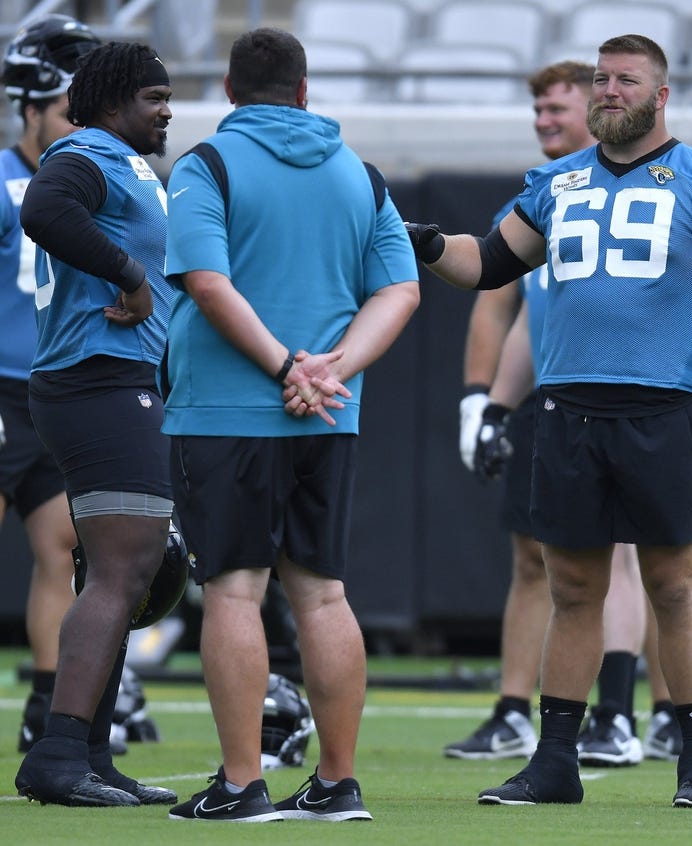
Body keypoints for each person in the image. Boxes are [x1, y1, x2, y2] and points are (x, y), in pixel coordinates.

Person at [407, 34, 692, 809]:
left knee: (676, 584)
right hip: (568, 409)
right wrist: (428, 244)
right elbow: (489, 265)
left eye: (625, 80)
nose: (608, 91)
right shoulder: (556, 182)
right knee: (572, 588)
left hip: (662, 407)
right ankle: (556, 760)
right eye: (600, 79)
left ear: (660, 94)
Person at [162, 28, 419, 822]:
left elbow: (207, 283)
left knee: (234, 594)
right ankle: (337, 784)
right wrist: (331, 371)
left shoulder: (207, 164)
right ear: (305, 92)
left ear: (230, 92)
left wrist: (285, 369)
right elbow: (401, 291)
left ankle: (242, 785)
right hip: (327, 418)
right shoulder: (360, 174)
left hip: (227, 412)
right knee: (324, 596)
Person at [445, 59, 682, 769]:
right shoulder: (548, 194)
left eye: (559, 108)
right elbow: (519, 315)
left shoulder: (659, 186)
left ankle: (635, 713)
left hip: (641, 401)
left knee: (643, 568)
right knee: (543, 562)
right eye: (538, 111)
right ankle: (525, 711)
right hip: (560, 403)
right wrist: (485, 403)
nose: (545, 121)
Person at [13, 41, 178, 807]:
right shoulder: (86, 150)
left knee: (117, 569)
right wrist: (130, 273)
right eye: (154, 97)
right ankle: (56, 753)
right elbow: (43, 209)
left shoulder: (126, 159)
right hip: (95, 381)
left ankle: (89, 755)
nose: (167, 109)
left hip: (114, 380)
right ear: (113, 101)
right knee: (124, 566)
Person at [0, 13, 100, 754]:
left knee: (63, 545)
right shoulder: (4, 183)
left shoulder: (96, 186)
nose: (78, 128)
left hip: (55, 392)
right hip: (0, 389)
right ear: (30, 108)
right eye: (68, 112)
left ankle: (45, 701)